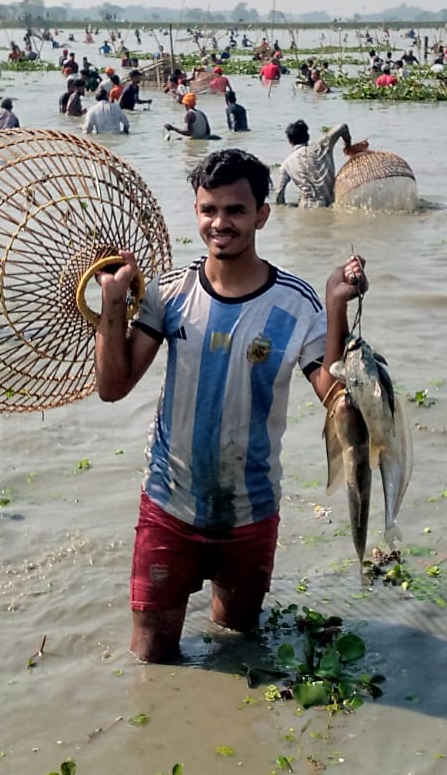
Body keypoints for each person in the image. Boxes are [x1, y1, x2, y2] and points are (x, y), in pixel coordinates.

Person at [92, 147, 368, 662]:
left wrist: (334, 306)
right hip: (169, 506)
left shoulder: (296, 303)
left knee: (236, 645)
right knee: (151, 657)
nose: (220, 223)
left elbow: (334, 397)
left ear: (262, 214)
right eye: (208, 210)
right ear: (196, 213)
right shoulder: (169, 294)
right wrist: (112, 302)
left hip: (251, 511)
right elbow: (114, 386)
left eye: (236, 210)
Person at [274, 119, 361, 206]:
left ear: (290, 141)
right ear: (308, 136)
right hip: (332, 203)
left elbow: (279, 193)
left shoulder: (287, 164)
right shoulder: (321, 147)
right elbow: (343, 126)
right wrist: (348, 146)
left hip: (306, 206)